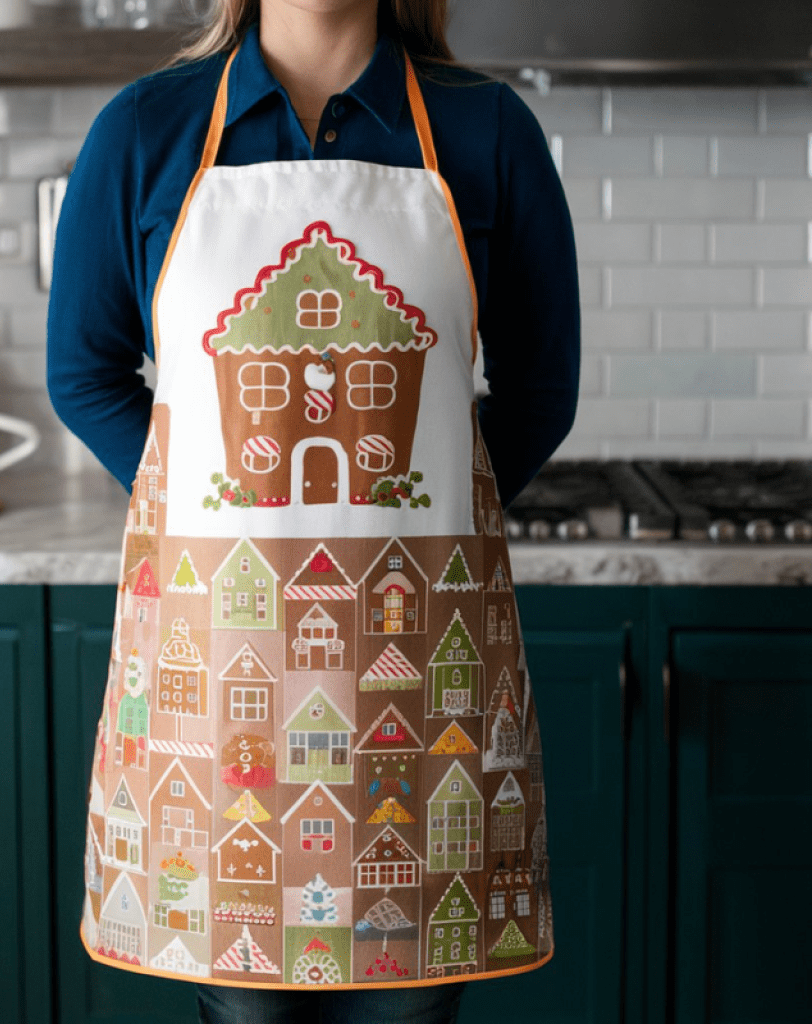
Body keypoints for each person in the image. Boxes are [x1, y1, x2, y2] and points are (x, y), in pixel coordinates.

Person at [47, 1, 580, 1022]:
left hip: (420, 688)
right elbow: (83, 370)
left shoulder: (485, 129)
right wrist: (200, 501)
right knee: (243, 1007)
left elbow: (541, 387)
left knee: (409, 1001)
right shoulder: (145, 128)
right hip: (217, 670)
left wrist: (412, 523)